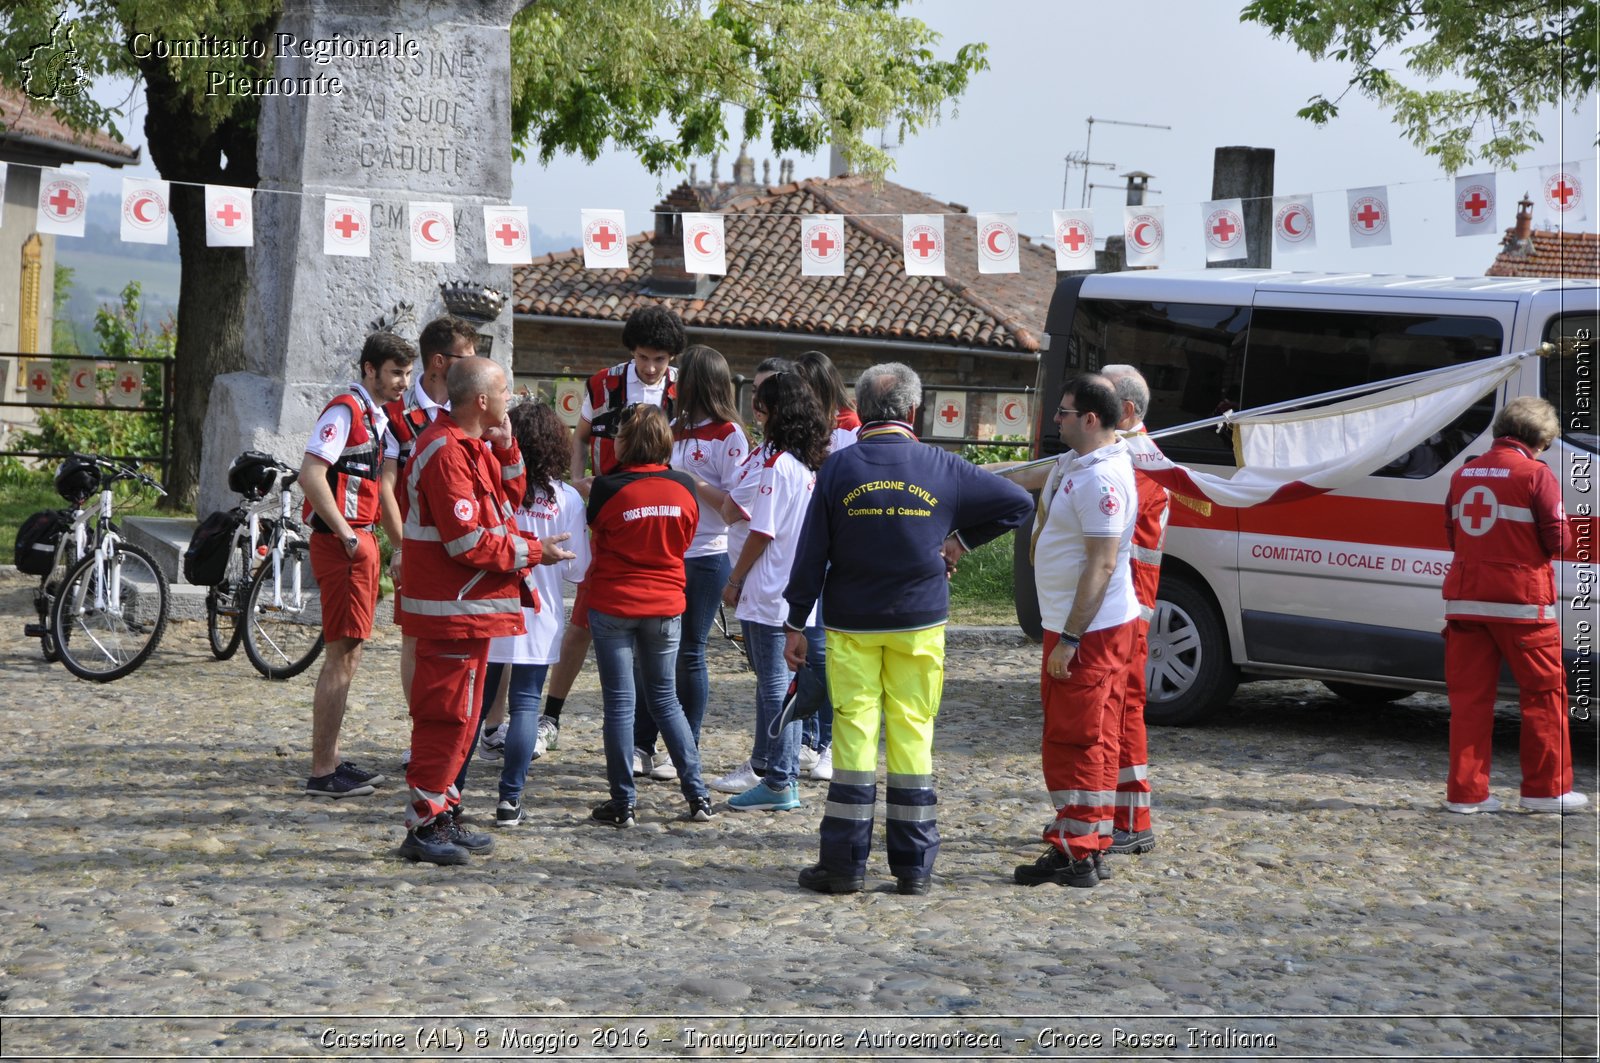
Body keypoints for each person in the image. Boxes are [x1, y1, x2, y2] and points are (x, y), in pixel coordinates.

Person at [783, 362, 1033, 895]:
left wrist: (794, 621)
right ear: (914, 411)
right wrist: (961, 541)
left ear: (862, 410)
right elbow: (1019, 502)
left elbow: (811, 554)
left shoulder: (838, 468)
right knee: (913, 734)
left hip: (852, 621)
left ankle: (844, 864)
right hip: (920, 621)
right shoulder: (942, 464)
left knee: (853, 735)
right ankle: (914, 866)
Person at [397, 358, 575, 864]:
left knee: (466, 716)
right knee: (445, 716)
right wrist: (536, 552)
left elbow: (510, 496)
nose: (510, 398)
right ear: (481, 400)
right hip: (451, 610)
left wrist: (508, 445)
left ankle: (444, 813)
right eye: (504, 391)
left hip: (470, 609)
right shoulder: (444, 451)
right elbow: (469, 543)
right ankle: (424, 824)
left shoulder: (469, 445)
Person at [541, 306, 686, 763]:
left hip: (658, 514)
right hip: (609, 512)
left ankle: (650, 740)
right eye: (644, 357)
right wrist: (578, 484)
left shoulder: (685, 388)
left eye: (660, 359)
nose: (651, 367)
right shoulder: (603, 384)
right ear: (631, 352)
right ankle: (551, 716)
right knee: (582, 622)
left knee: (658, 634)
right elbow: (580, 436)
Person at [1014, 374, 1140, 889]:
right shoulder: (1079, 461)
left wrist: (1070, 638)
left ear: (1091, 419)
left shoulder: (1100, 479)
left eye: (1064, 412)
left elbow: (1102, 564)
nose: (1056, 419)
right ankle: (1086, 837)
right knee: (1088, 737)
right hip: (1080, 625)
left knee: (1078, 739)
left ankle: (1077, 851)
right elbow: (1026, 475)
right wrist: (956, 473)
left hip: (1088, 632)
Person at [1443, 396, 1586, 815]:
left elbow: (1453, 536)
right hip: (1522, 606)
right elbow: (1558, 540)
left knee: (1469, 701)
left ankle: (1466, 797)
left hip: (1466, 601)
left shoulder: (1464, 474)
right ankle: (1546, 791)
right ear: (1540, 440)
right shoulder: (1536, 475)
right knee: (1544, 696)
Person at [584, 404, 717, 827]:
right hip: (665, 604)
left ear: (623, 442)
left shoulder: (607, 487)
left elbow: (596, 534)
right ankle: (698, 794)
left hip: (614, 603)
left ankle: (623, 803)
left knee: (621, 704)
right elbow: (687, 536)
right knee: (666, 699)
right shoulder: (683, 486)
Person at [298, 330, 413, 798]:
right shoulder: (345, 409)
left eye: (407, 373)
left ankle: (333, 760)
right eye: (395, 372)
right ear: (370, 369)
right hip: (343, 544)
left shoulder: (378, 417)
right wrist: (346, 533)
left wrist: (397, 545)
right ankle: (323, 770)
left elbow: (382, 488)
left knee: (352, 653)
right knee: (341, 656)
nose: (403, 382)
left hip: (360, 543)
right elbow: (310, 473)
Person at [634, 345, 749, 781]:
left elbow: (737, 507)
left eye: (682, 378)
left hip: (705, 554)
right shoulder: (673, 426)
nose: (672, 383)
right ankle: (641, 746)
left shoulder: (729, 434)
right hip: (663, 554)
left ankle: (687, 747)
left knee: (688, 653)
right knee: (649, 650)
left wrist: (692, 482)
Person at [717, 373, 831, 812]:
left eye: (761, 407)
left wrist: (735, 579)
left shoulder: (777, 465)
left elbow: (761, 531)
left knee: (776, 688)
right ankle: (768, 766)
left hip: (768, 590)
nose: (756, 416)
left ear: (777, 413)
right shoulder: (806, 466)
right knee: (782, 685)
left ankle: (780, 780)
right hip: (793, 588)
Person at [481, 401, 589, 827]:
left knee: (477, 704)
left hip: (489, 608)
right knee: (526, 705)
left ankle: (450, 793)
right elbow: (579, 569)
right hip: (538, 615)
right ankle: (510, 800)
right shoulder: (567, 499)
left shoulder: (489, 487)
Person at [379, 315, 477, 764]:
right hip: (419, 549)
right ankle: (423, 736)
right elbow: (387, 486)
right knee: (417, 642)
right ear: (440, 362)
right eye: (466, 357)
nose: (474, 365)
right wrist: (400, 546)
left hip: (467, 546)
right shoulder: (398, 416)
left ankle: (468, 731)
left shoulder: (467, 410)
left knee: (465, 641)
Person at [1100, 364, 1167, 855]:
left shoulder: (1137, 462)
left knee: (1123, 713)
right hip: (1120, 603)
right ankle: (1110, 814)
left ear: (1123, 411)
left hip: (1127, 607)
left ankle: (1130, 818)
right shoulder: (1128, 455)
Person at [791, 350, 861, 781]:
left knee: (826, 649)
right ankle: (809, 738)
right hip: (810, 548)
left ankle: (831, 740)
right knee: (809, 649)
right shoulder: (810, 429)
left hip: (838, 551)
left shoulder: (849, 431)